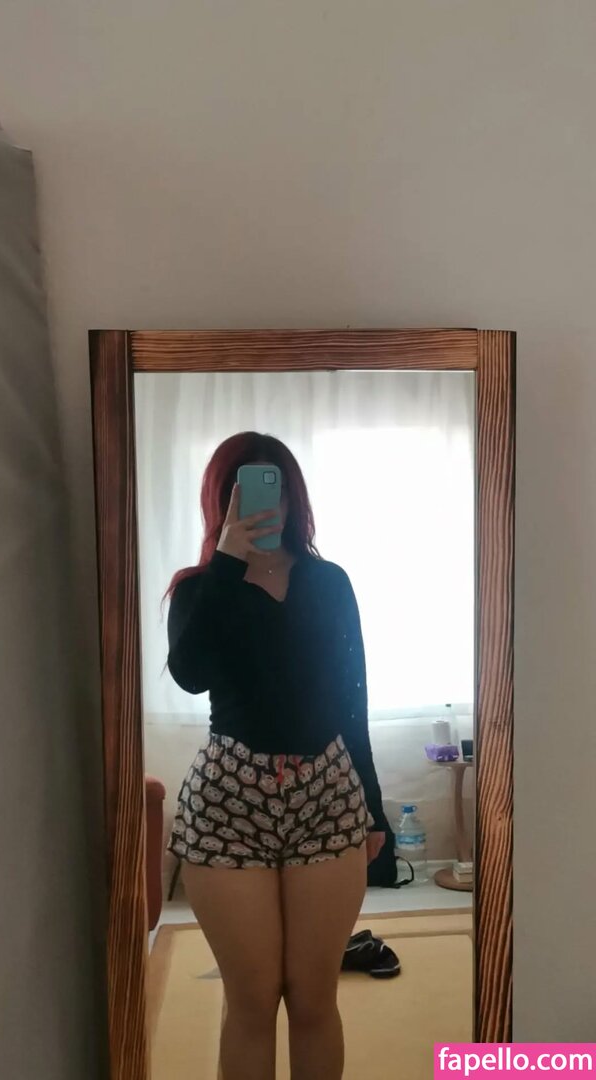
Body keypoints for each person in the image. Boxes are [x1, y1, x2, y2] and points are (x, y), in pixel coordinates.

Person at [166, 432, 386, 1080]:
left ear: (294, 496)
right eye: (249, 489)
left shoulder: (329, 582)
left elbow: (352, 697)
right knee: (252, 1002)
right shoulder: (200, 590)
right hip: (228, 803)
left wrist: (373, 807)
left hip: (328, 793)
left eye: (279, 487)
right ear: (222, 499)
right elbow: (189, 675)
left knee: (314, 999)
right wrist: (228, 564)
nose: (271, 503)